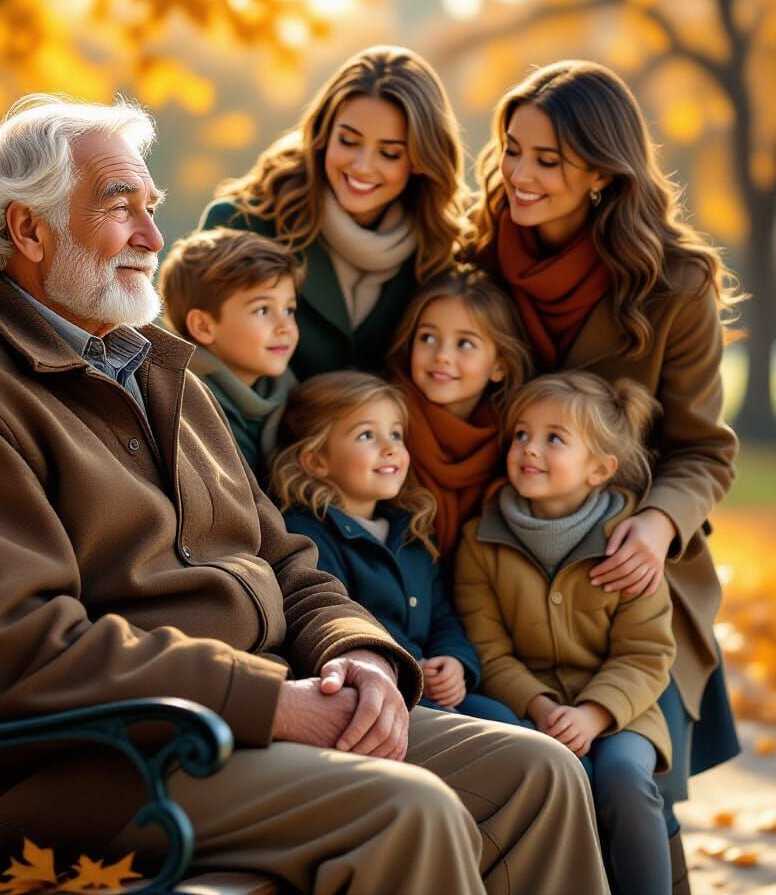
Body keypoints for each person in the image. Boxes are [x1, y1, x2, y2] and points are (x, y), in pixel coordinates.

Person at [0, 95, 610, 895]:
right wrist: (272, 703)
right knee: (407, 809)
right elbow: (22, 651)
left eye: (151, 207)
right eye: (119, 207)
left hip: (242, 718)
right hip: (80, 765)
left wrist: (357, 652)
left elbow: (283, 558)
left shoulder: (152, 369)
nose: (151, 236)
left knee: (537, 774)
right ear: (29, 231)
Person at [468, 59, 742, 890]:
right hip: (504, 561)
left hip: (632, 575)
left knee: (634, 787)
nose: (520, 174)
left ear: (601, 171)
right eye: (514, 150)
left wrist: (656, 525)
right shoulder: (477, 257)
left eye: (548, 160)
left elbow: (702, 448)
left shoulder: (674, 282)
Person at [455, 372, 676, 895]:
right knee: (552, 775)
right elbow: (488, 649)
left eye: (554, 438)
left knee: (624, 780)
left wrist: (594, 713)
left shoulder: (628, 548)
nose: (529, 449)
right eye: (521, 434)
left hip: (622, 712)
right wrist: (540, 706)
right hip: (530, 708)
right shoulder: (481, 541)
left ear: (599, 469)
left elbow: (646, 653)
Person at [200, 45, 466, 379]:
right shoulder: (240, 225)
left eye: (389, 153)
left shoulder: (442, 254)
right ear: (324, 134)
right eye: (348, 141)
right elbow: (194, 366)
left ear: (420, 160)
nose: (362, 166)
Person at [274, 371, 519, 727]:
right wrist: (410, 665)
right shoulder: (308, 536)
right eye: (366, 435)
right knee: (504, 733)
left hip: (432, 685)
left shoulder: (411, 529)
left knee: (503, 716)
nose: (390, 448)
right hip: (380, 688)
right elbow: (336, 615)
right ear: (316, 461)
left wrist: (453, 659)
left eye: (395, 434)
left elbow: (442, 613)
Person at [385, 268, 531, 570]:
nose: (442, 355)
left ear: (500, 366)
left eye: (464, 343)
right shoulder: (384, 425)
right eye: (427, 337)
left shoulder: (515, 444)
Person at [157, 227, 303, 480]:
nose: (285, 327)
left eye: (289, 310)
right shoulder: (186, 408)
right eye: (262, 310)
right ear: (203, 326)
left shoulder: (290, 393)